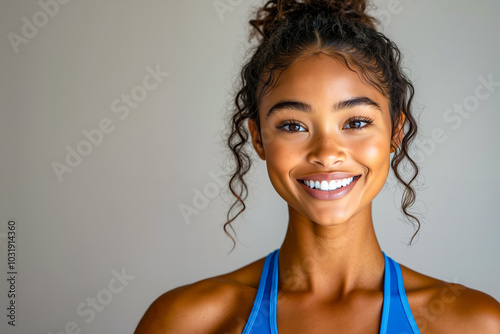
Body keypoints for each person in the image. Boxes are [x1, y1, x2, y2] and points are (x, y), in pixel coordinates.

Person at [135, 1, 500, 333]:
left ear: (396, 132)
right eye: (293, 126)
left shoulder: (472, 323)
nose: (326, 153)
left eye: (355, 122)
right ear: (259, 139)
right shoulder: (184, 322)